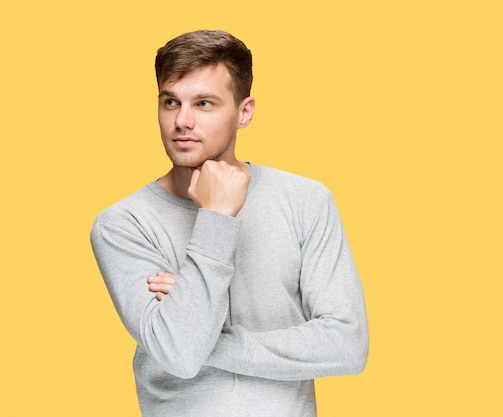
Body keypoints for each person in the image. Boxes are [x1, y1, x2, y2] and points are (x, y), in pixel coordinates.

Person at [90, 29, 369, 417]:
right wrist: (216, 216)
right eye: (170, 102)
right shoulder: (123, 224)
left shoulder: (307, 201)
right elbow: (181, 355)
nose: (181, 121)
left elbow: (347, 345)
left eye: (204, 103)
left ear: (244, 112)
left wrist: (206, 335)